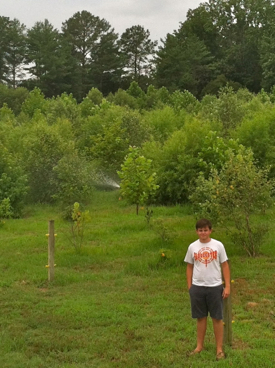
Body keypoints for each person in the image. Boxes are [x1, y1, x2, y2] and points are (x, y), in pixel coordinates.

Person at [184, 218, 230, 361]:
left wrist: (227, 285)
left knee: (217, 318)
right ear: (197, 231)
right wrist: (190, 286)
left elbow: (225, 265)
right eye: (200, 230)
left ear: (210, 230)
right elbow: (189, 266)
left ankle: (219, 349)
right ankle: (199, 346)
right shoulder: (192, 247)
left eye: (205, 230)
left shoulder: (218, 245)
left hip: (215, 286)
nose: (203, 233)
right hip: (198, 287)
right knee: (201, 317)